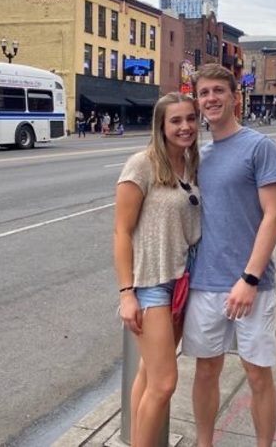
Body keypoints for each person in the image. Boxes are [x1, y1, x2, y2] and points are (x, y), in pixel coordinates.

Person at [183, 64, 276, 447]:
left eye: (218, 91)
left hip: (251, 285)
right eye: (204, 93)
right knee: (206, 370)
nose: (211, 98)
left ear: (234, 97)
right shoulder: (199, 155)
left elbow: (274, 216)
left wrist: (250, 278)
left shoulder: (259, 147)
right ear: (198, 100)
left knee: (257, 374)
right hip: (206, 282)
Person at [114, 92, 201, 447]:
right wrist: (126, 294)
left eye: (190, 118)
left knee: (149, 374)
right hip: (152, 285)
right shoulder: (142, 165)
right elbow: (121, 232)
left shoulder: (190, 165)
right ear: (161, 126)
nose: (185, 127)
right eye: (175, 120)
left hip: (182, 282)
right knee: (164, 383)